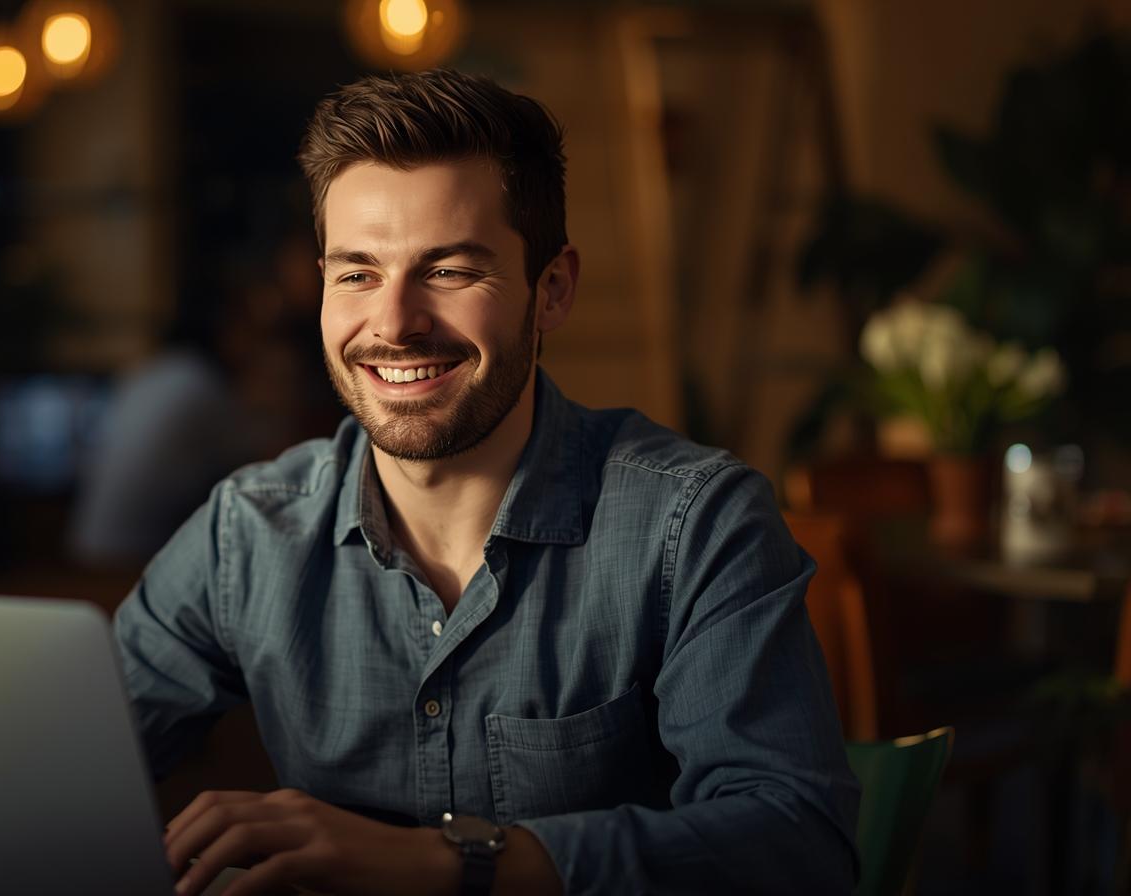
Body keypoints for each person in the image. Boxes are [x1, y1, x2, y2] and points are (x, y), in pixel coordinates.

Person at [115, 69, 859, 896]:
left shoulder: (695, 524)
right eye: (357, 273)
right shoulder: (248, 532)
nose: (394, 324)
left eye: (451, 271)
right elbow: (60, 767)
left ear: (553, 291)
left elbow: (798, 842)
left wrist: (446, 863)